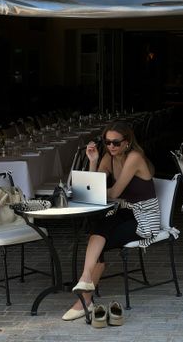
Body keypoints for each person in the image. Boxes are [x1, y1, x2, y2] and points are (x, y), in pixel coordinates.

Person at [62, 121, 160, 320]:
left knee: (101, 239)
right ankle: (86, 281)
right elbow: (91, 188)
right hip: (125, 210)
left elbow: (114, 192)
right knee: (99, 227)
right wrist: (92, 160)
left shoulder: (134, 157)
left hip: (145, 217)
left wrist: (95, 192)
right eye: (107, 142)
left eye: (116, 143)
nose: (111, 147)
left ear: (127, 142)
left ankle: (84, 300)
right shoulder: (108, 156)